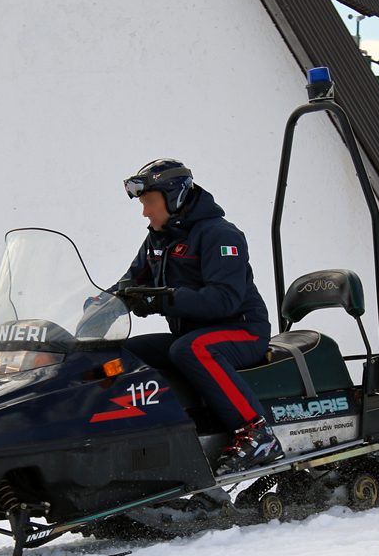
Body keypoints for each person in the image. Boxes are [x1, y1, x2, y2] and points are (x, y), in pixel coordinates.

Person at [115, 158, 283, 476]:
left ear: (174, 197)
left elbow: (224, 300)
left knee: (192, 349)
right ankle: (145, 430)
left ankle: (257, 433)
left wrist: (163, 301)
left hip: (242, 331)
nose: (145, 212)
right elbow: (132, 282)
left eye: (150, 201)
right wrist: (97, 304)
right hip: (192, 335)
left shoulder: (219, 235)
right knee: (127, 352)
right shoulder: (158, 239)